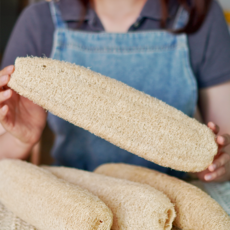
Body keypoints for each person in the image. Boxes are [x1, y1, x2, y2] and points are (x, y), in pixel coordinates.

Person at [0, 0, 230, 182]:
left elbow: (226, 144)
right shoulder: (38, 22)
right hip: (77, 192)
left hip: (173, 195)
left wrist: (218, 163)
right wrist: (21, 141)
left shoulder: (201, 16)